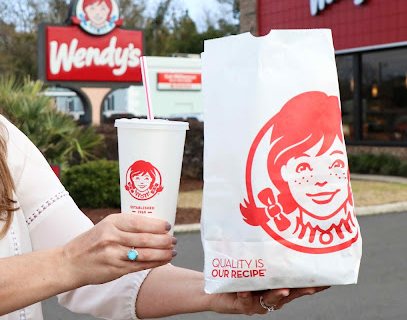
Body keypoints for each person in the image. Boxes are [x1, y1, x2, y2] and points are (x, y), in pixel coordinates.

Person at [0, 113, 327, 319]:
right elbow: (74, 263)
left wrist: (222, 290)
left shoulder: (6, 140)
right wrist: (69, 262)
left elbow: (95, 280)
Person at [241, 91, 359, 252]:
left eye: (334, 163)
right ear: (282, 171)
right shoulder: (279, 221)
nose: (321, 180)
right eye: (303, 167)